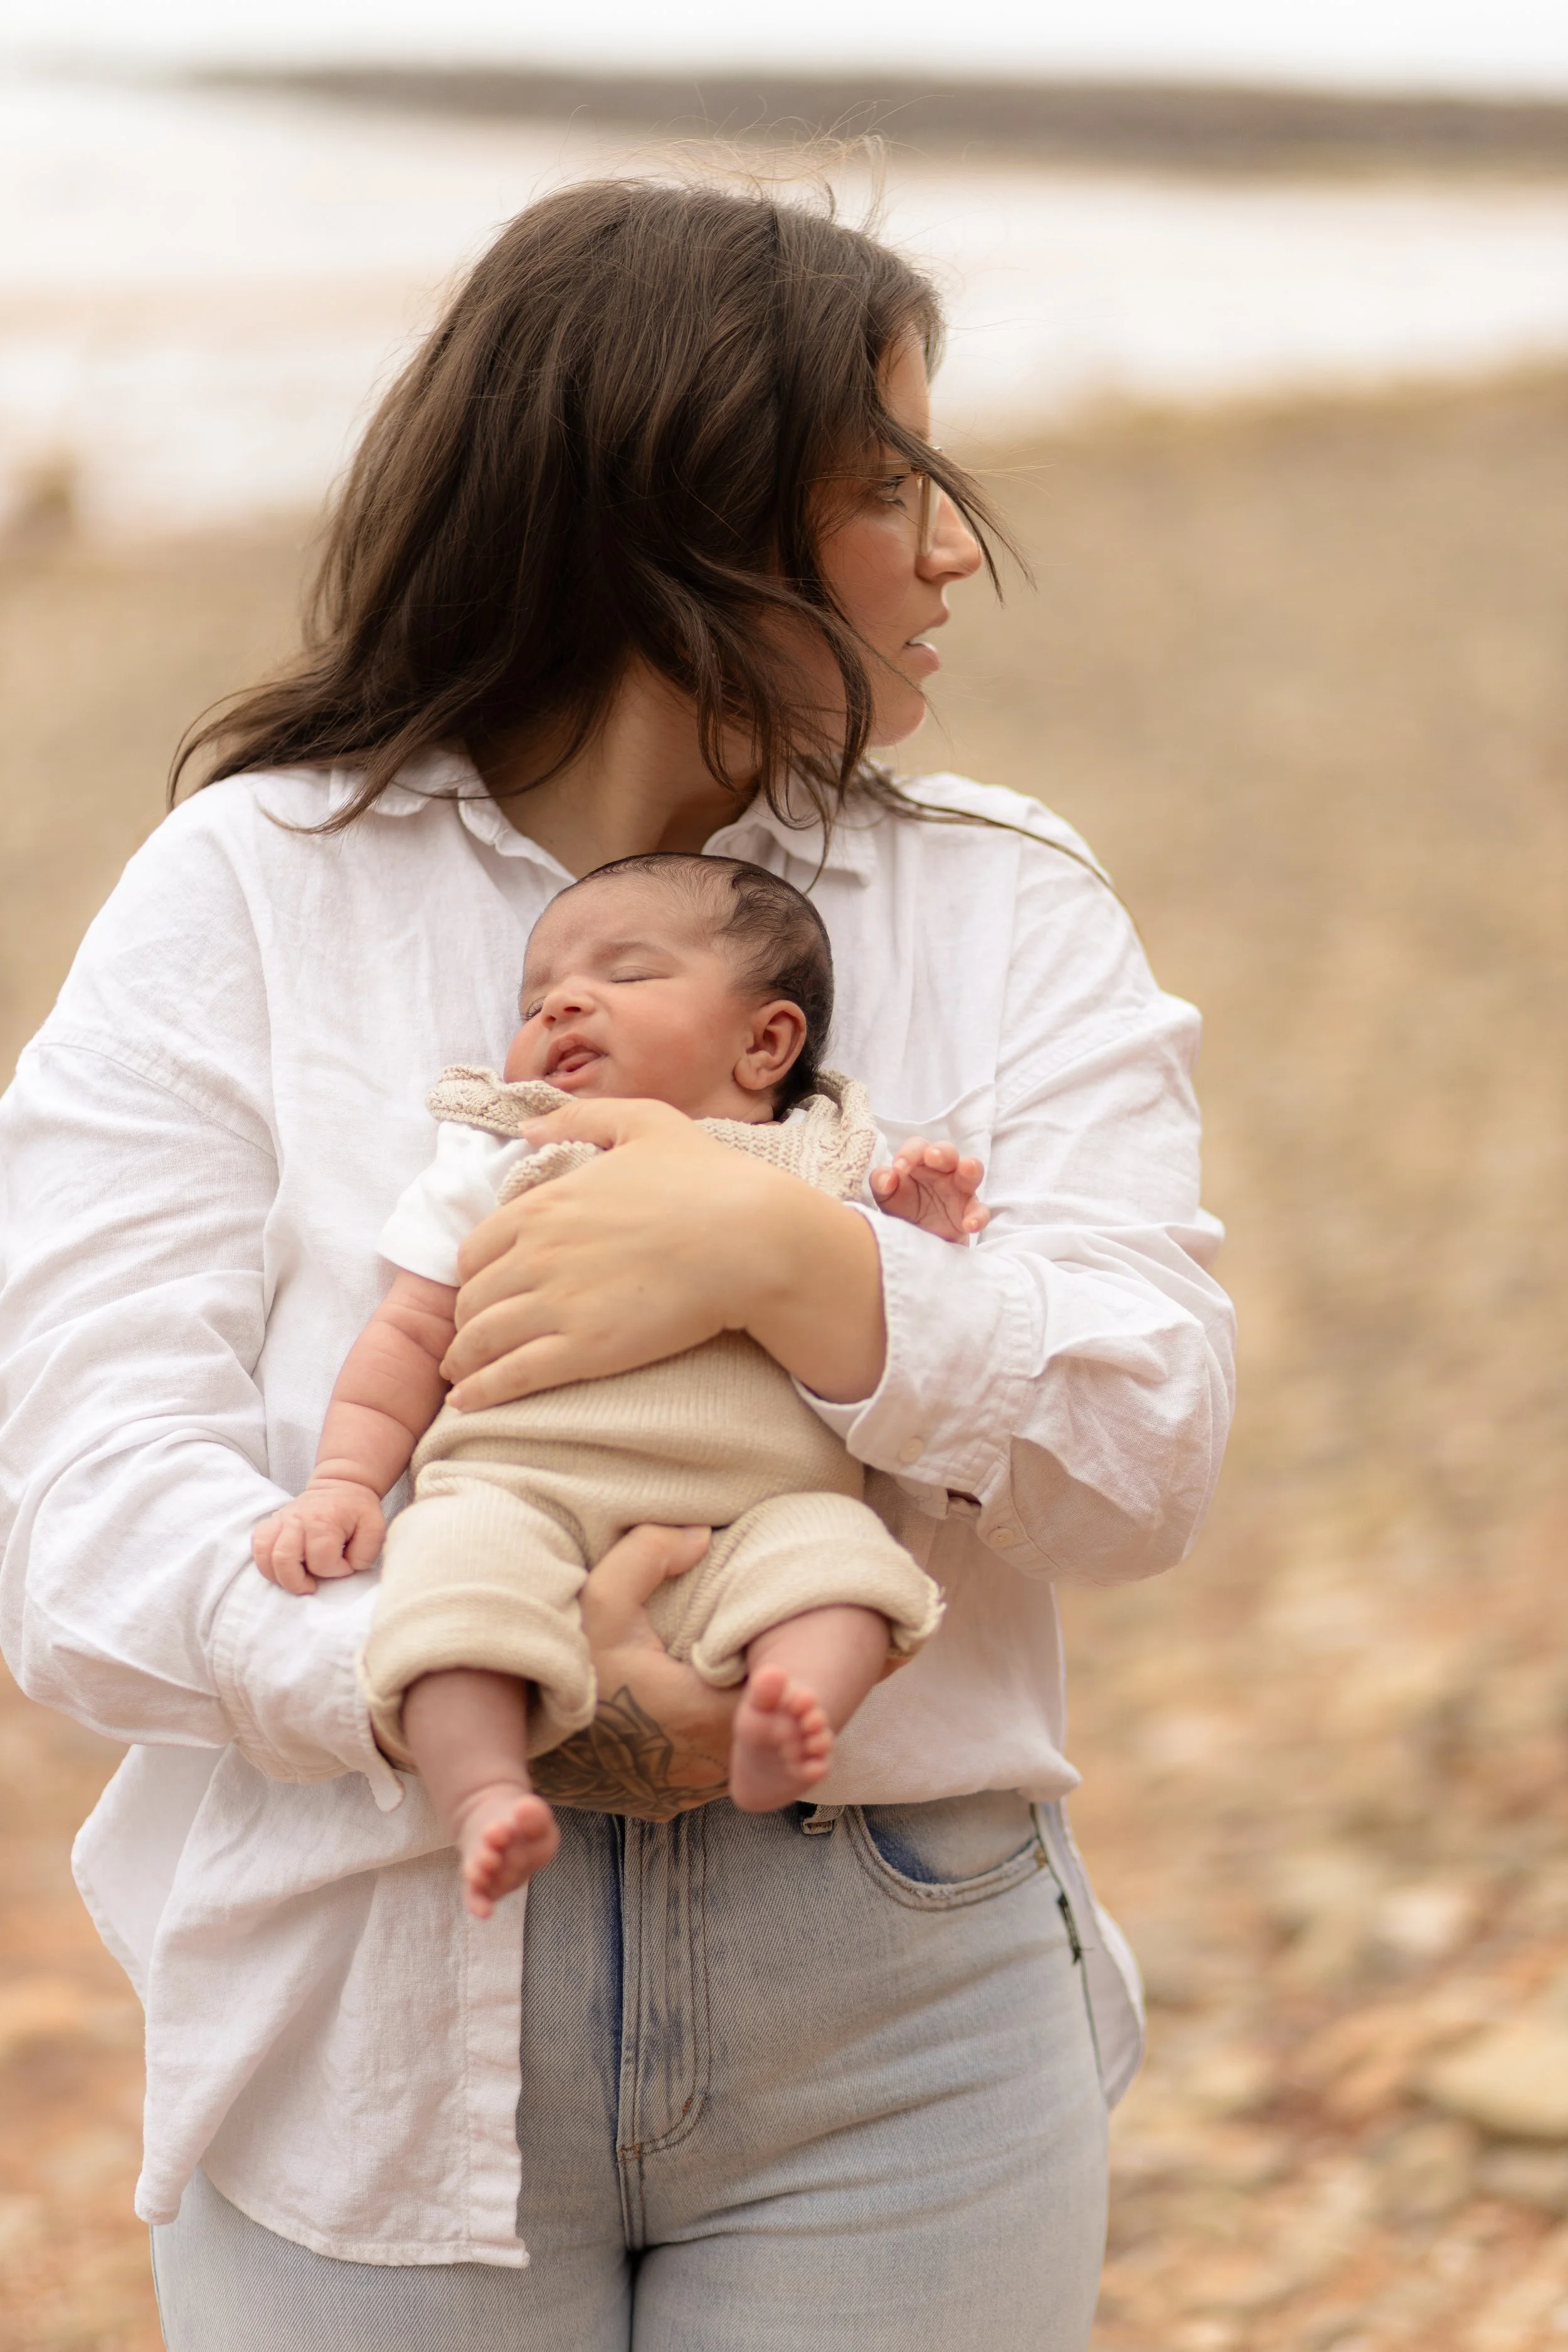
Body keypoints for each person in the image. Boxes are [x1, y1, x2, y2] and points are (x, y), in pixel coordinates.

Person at [0, 176, 1234, 2349]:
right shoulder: (250, 889)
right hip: (367, 2001)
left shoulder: (1004, 902)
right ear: (683, 512)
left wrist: (800, 1264)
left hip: (901, 2014)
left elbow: (1147, 1462)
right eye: (893, 484)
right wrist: (470, 1684)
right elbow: (69, 1495)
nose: (955, 550)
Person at [255, 852, 978, 1907]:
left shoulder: (818, 1165)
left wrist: (924, 1226)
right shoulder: (499, 1159)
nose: (565, 1003)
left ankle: (783, 1720)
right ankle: (484, 1791)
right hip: (522, 1488)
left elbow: (905, 1306)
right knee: (449, 1591)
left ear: (767, 1041)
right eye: (536, 998)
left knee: (846, 1573)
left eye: (627, 976)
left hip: (759, 1508)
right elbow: (409, 1332)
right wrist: (345, 1481)